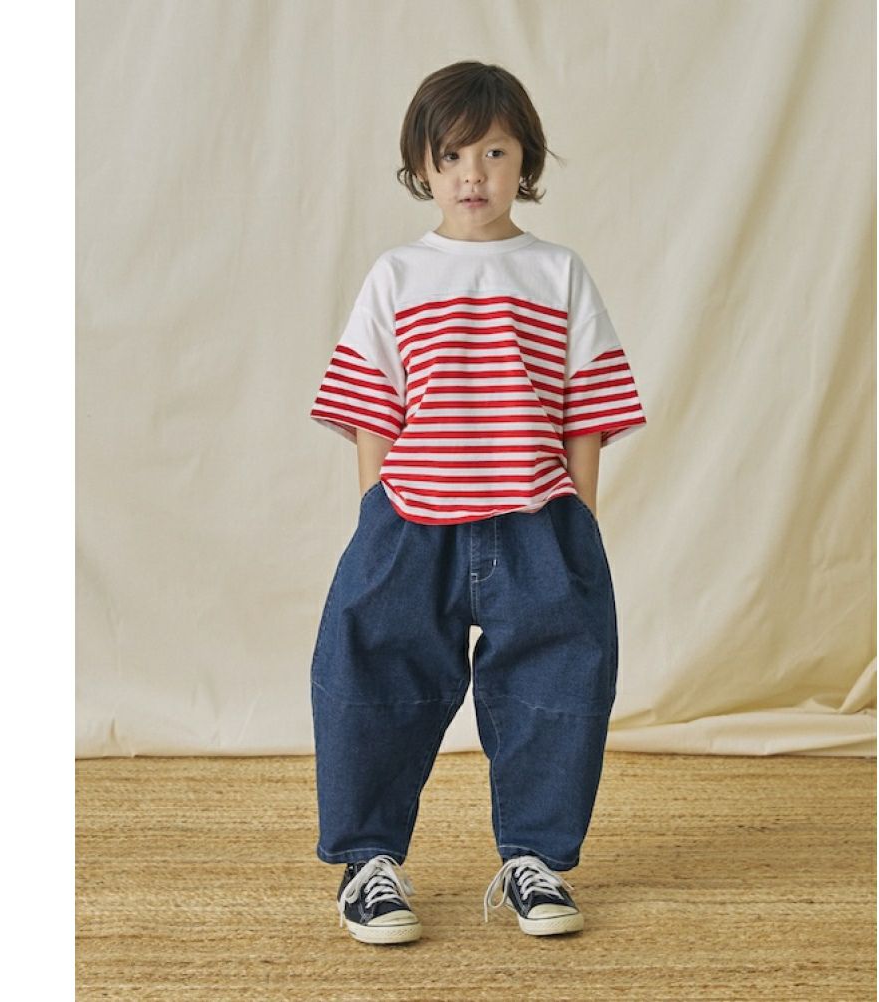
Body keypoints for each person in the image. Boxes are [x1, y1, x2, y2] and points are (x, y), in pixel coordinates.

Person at [308, 61, 647, 945]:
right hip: (411, 522)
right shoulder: (397, 274)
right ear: (421, 164)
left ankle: (535, 859)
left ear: (524, 160)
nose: (472, 174)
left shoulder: (556, 272)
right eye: (451, 154)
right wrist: (377, 512)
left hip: (538, 521)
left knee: (557, 685)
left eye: (494, 152)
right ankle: (369, 865)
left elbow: (586, 408)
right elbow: (372, 405)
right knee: (370, 677)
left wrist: (580, 518)